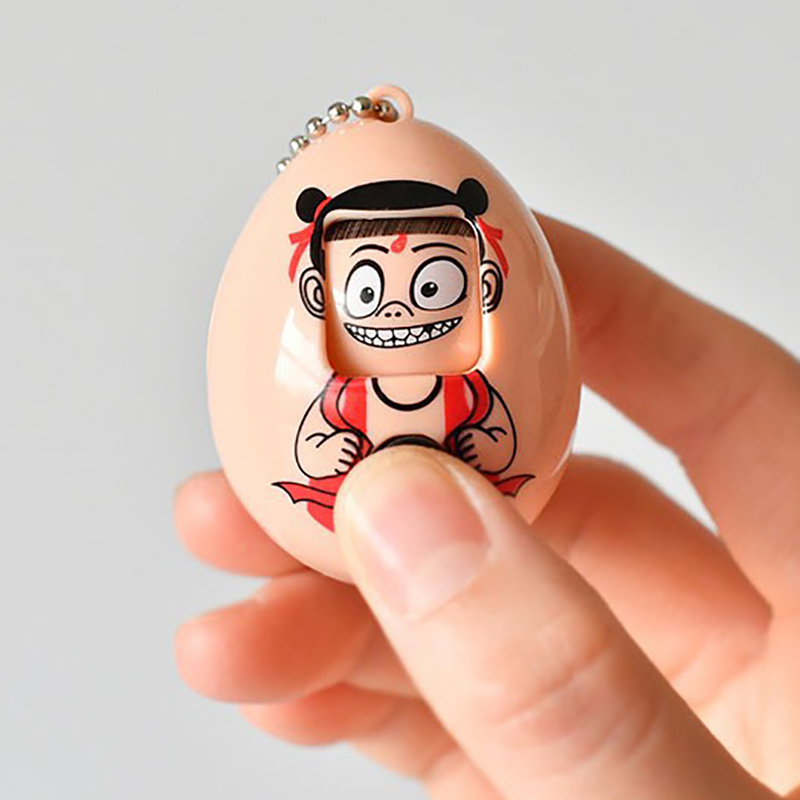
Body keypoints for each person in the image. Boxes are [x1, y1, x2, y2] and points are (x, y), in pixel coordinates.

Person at [174, 214, 800, 800]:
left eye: (432, 286)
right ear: (319, 296)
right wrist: (331, 451)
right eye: (367, 290)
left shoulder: (471, 391)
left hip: (430, 517)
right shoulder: (343, 400)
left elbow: (500, 434)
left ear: (484, 286)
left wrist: (483, 451)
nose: (397, 309)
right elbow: (310, 441)